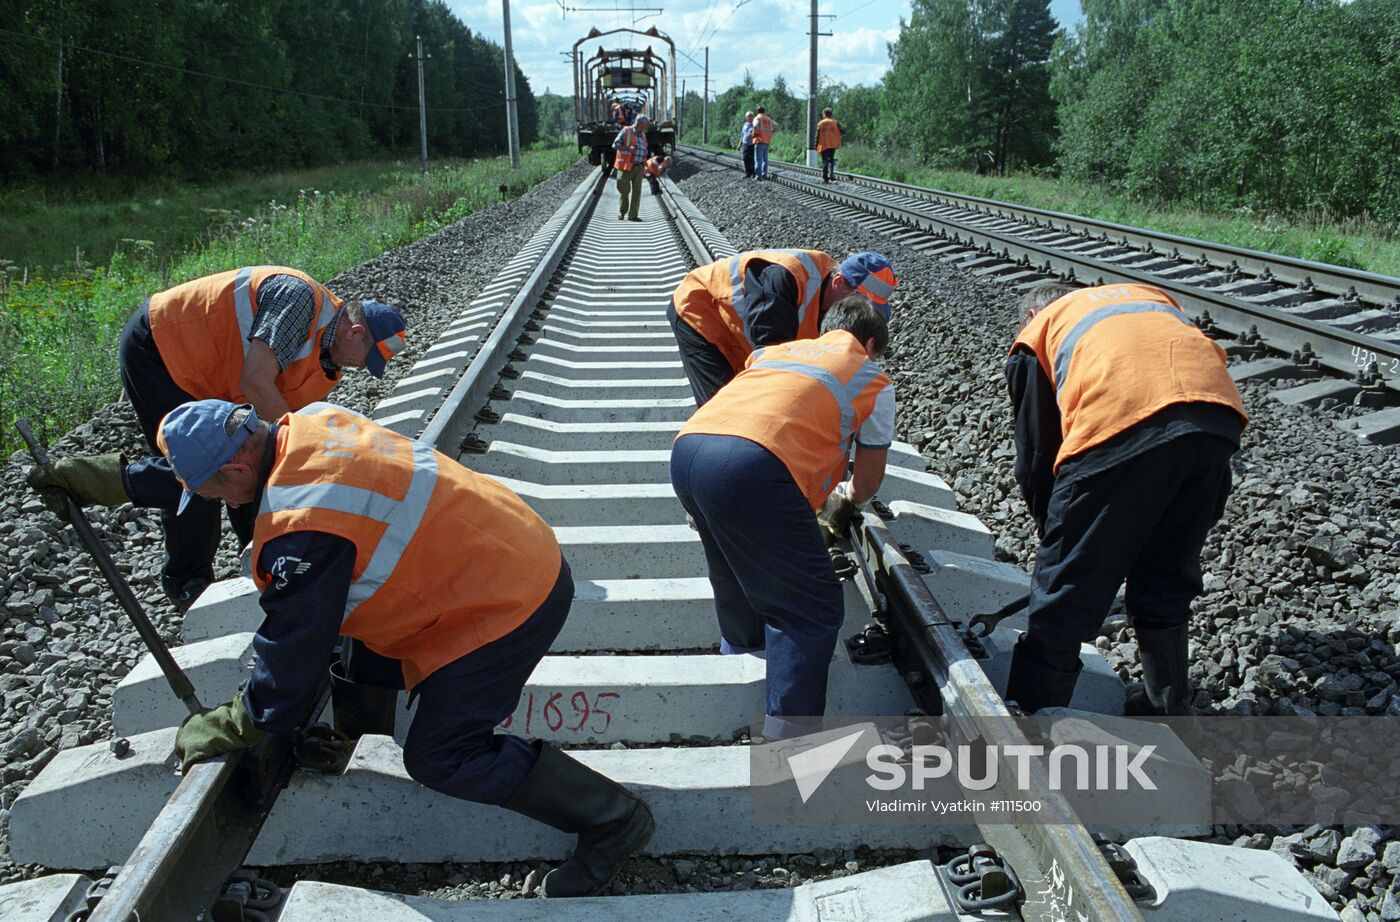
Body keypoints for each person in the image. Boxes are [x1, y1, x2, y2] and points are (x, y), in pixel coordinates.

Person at [157, 399, 655, 897]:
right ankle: (357, 734)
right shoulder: (310, 423)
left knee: (441, 756)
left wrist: (241, 720)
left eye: (209, 492)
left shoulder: (303, 521)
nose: (214, 502)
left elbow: (294, 641)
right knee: (354, 634)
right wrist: (122, 480)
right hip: (507, 548)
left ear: (237, 469)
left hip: (507, 604)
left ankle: (613, 819)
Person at [25, 267, 407, 611]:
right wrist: (299, 453)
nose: (362, 368)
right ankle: (185, 581)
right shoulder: (299, 301)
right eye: (367, 358)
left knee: (250, 463)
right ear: (356, 332)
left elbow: (264, 446)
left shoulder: (326, 365)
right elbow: (256, 382)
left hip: (216, 376)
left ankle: (260, 560)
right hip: (165, 348)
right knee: (200, 470)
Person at [1004, 282, 1247, 715]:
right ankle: (1167, 707)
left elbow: (1037, 459)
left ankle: (1032, 715)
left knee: (1064, 594)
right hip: (1215, 419)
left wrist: (1061, 544)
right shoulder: (1143, 299)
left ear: (1031, 317)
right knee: (1167, 569)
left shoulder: (1037, 334)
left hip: (1121, 420)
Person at [670, 298, 894, 739]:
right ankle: (789, 741)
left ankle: (741, 661)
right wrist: (846, 497)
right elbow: (867, 482)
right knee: (810, 608)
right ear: (870, 344)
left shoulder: (776, 351)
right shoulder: (871, 377)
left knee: (732, 570)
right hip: (750, 467)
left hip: (689, 451)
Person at [668, 249, 896, 406]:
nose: (860, 311)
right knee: (723, 405)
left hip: (738, 330)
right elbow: (772, 362)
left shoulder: (832, 300)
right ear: (838, 282)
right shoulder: (785, 279)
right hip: (701, 311)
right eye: (858, 301)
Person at [612, 114, 650, 222]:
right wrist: (628, 148)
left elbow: (644, 149)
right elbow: (615, 145)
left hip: (639, 166)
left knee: (637, 192)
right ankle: (622, 211)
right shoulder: (626, 131)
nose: (647, 127)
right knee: (624, 189)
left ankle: (633, 215)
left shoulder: (643, 134)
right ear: (640, 124)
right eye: (646, 125)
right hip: (626, 166)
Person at [815, 108, 842, 183]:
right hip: (833, 144)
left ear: (824, 114)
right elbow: (843, 131)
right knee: (831, 160)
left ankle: (825, 177)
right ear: (831, 114)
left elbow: (817, 136)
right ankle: (831, 174)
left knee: (825, 161)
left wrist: (815, 145)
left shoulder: (821, 123)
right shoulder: (835, 123)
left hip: (824, 145)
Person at [751, 107, 776, 180]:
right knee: (765, 160)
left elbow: (755, 125)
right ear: (764, 111)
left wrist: (753, 133)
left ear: (757, 111)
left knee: (758, 160)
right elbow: (775, 126)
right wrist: (770, 134)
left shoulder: (757, 118)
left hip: (759, 141)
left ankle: (758, 176)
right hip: (767, 141)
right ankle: (764, 175)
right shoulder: (768, 119)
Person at [740, 112, 756, 179]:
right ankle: (747, 173)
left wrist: (753, 135)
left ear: (753, 117)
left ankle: (753, 174)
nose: (750, 117)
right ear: (746, 117)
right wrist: (740, 144)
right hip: (745, 144)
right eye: (749, 116)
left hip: (752, 144)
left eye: (751, 116)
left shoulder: (755, 124)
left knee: (752, 160)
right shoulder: (745, 125)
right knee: (745, 159)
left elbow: (757, 134)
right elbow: (742, 135)